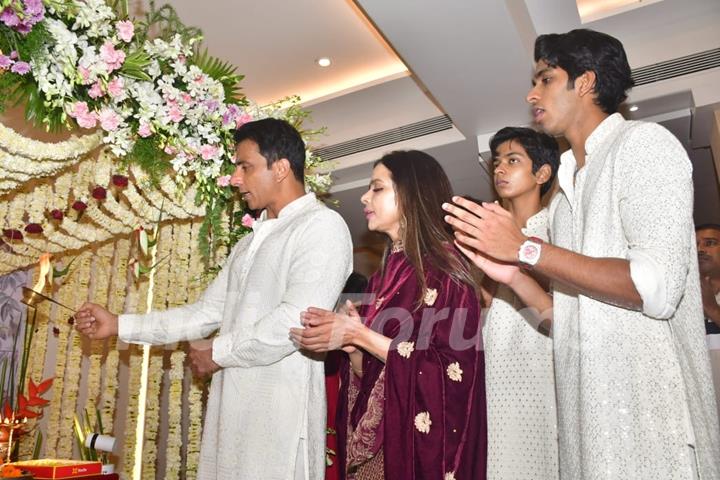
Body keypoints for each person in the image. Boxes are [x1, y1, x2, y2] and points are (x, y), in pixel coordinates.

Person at [443, 29, 720, 478]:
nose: (532, 93)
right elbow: (564, 321)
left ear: (586, 82)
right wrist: (511, 275)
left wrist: (527, 248)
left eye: (546, 79)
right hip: (584, 426)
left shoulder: (644, 146)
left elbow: (657, 287)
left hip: (650, 423)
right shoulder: (566, 191)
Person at [75, 118, 353, 480]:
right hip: (230, 412)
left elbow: (296, 320)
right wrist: (118, 324)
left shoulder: (321, 226)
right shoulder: (248, 243)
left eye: (245, 167)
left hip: (279, 420)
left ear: (281, 168)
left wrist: (217, 352)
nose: (235, 179)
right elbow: (206, 312)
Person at [291, 150, 487, 479]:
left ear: (411, 194)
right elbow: (372, 374)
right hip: (378, 449)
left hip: (412, 448)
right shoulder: (384, 276)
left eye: (377, 188)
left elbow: (451, 372)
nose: (365, 196)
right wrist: (353, 349)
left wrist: (360, 335)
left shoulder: (446, 269)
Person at [481, 127, 559, 480]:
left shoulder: (558, 225)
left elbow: (562, 302)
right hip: (496, 359)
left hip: (543, 357)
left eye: (513, 161)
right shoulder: (489, 233)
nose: (499, 169)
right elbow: (484, 302)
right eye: (496, 162)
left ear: (542, 173)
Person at [697, 224, 720, 416]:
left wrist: (712, 308)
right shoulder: (678, 298)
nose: (700, 249)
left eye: (710, 243)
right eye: (694, 244)